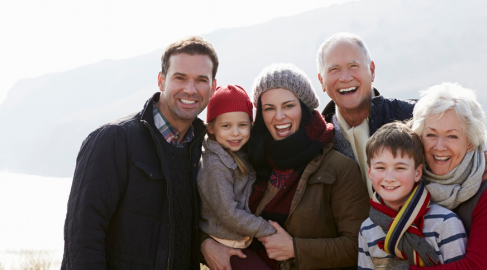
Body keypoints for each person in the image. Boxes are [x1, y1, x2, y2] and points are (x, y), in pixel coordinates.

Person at [61, 36, 218, 270]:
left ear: (213, 87)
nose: (190, 89)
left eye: (201, 80)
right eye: (180, 77)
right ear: (161, 80)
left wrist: (208, 244)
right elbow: (82, 238)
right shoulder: (113, 140)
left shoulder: (203, 150)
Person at [202, 63, 370, 270]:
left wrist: (294, 249)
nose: (279, 116)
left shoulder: (339, 168)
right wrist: (205, 243)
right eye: (269, 108)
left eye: (289, 106)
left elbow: (358, 246)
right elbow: (214, 208)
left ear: (304, 107)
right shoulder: (250, 160)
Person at [316, 32, 487, 196]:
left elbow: (465, 137)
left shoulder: (412, 115)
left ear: (372, 71)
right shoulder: (318, 137)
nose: (345, 77)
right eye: (334, 69)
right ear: (321, 81)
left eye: (354, 66)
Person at [409, 82, 487, 270]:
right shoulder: (413, 182)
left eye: (452, 136)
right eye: (431, 135)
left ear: (470, 143)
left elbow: (477, 267)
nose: (439, 146)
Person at [358, 122, 467, 270]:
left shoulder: (445, 222)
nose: (389, 177)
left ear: (417, 173)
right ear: (370, 172)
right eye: (381, 168)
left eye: (400, 168)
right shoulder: (367, 229)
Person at [197, 84, 275, 269]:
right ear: (211, 128)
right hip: (226, 242)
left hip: (241, 239)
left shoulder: (239, 153)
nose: (235, 133)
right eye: (226, 126)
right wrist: (266, 230)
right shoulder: (214, 165)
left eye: (242, 125)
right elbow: (228, 214)